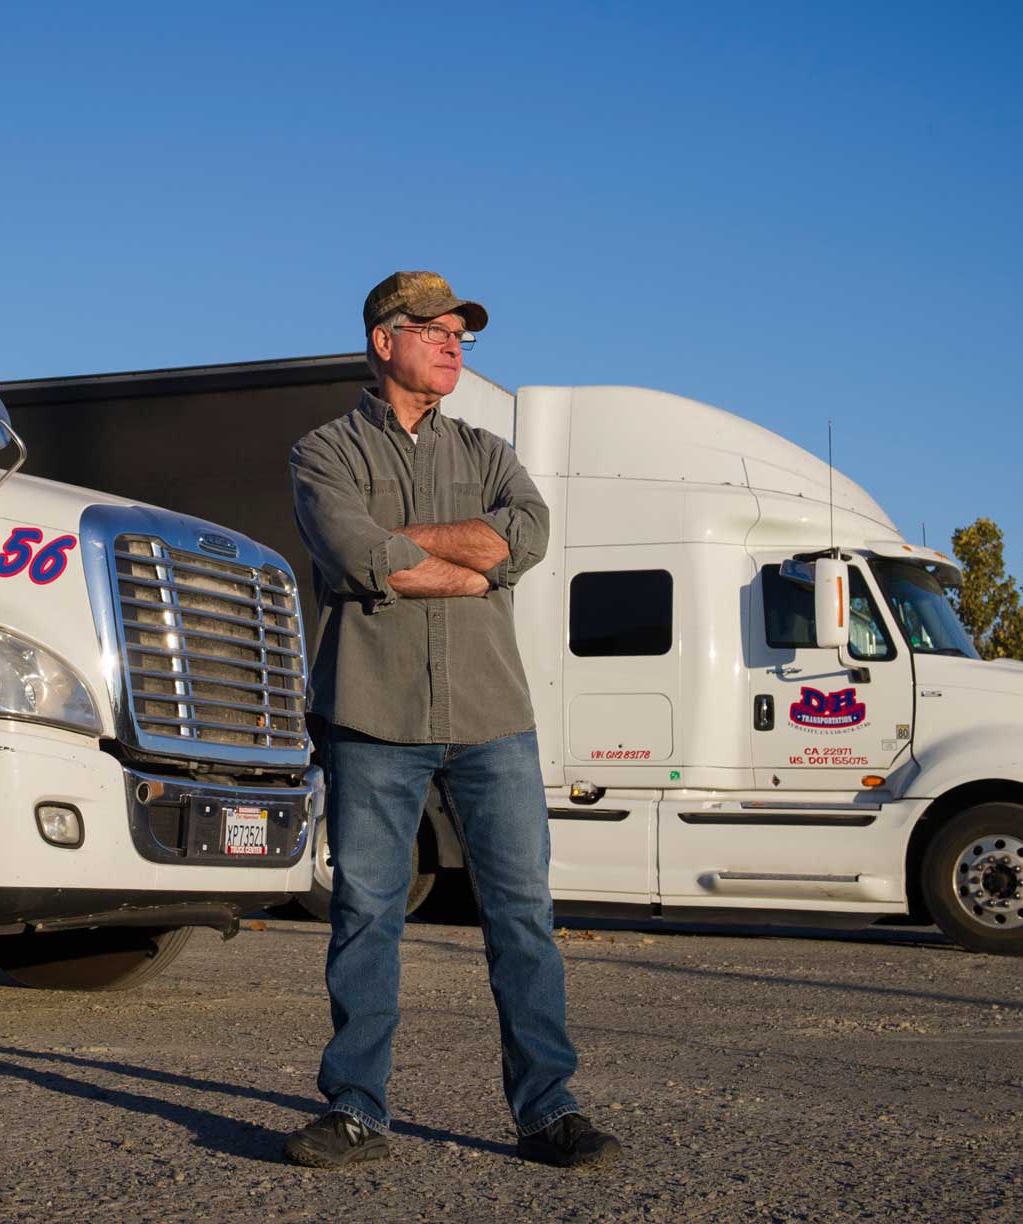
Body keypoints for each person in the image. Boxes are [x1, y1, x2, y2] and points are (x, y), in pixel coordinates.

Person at [281, 271, 621, 1170]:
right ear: (384, 339)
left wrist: (408, 546)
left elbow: (529, 536)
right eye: (433, 328)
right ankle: (356, 1110)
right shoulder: (324, 451)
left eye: (461, 332)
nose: (454, 343)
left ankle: (548, 1111)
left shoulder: (488, 450)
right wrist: (470, 559)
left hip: (489, 712)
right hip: (370, 711)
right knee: (366, 914)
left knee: (521, 917)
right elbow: (354, 552)